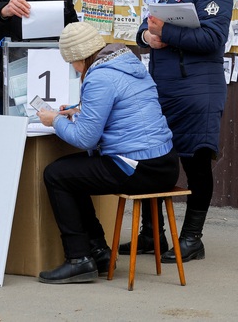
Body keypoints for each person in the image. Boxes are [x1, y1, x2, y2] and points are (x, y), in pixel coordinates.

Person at [122, 0, 234, 263]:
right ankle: (152, 235)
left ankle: (192, 238)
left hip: (198, 89)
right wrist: (147, 36)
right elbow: (149, 23)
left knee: (197, 162)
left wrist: (166, 34)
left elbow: (214, 38)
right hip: (164, 86)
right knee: (155, 159)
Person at [35, 22, 180, 284]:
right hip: (164, 162)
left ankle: (79, 258)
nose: (73, 68)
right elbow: (125, 106)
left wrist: (54, 120)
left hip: (138, 166)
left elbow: (84, 139)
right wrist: (80, 110)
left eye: (72, 62)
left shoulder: (99, 76)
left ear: (79, 57)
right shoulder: (128, 64)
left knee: (57, 174)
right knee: (73, 175)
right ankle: (98, 252)